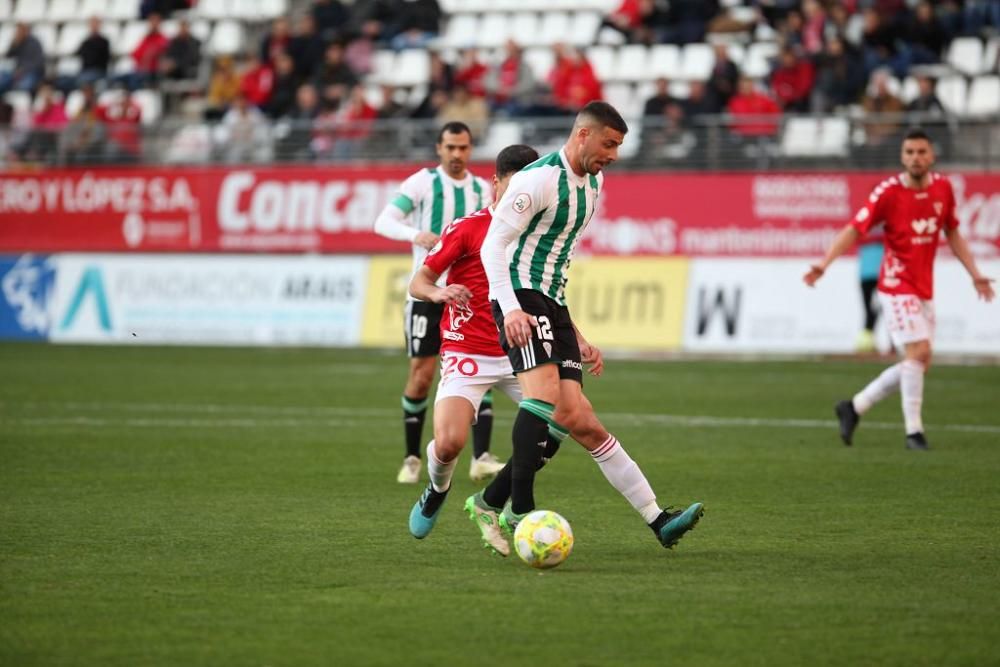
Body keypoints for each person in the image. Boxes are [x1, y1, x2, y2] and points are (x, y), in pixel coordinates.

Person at [478, 101, 704, 549]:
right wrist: (512, 308)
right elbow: (492, 248)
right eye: (609, 143)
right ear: (583, 135)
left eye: (619, 145)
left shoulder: (593, 184)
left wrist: (574, 333)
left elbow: (558, 260)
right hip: (520, 297)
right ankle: (521, 512)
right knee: (542, 398)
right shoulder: (535, 181)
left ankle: (659, 521)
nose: (614, 155)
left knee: (579, 419)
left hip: (552, 303)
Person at [804, 129, 995, 451]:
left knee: (920, 361)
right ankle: (914, 433)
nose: (915, 158)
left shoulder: (943, 188)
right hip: (895, 284)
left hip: (923, 286)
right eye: (909, 152)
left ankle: (854, 406)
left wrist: (975, 273)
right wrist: (824, 264)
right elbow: (854, 228)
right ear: (902, 157)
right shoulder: (888, 192)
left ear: (931, 156)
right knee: (917, 353)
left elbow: (953, 232)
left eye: (921, 152)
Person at [373, 121, 501, 485]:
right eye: (450, 147)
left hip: (467, 296)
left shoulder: (480, 189)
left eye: (463, 148)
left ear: (470, 149)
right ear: (439, 148)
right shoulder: (422, 183)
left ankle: (481, 457)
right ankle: (413, 458)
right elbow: (383, 221)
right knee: (421, 376)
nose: (457, 154)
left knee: (482, 370)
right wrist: (416, 234)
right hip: (428, 294)